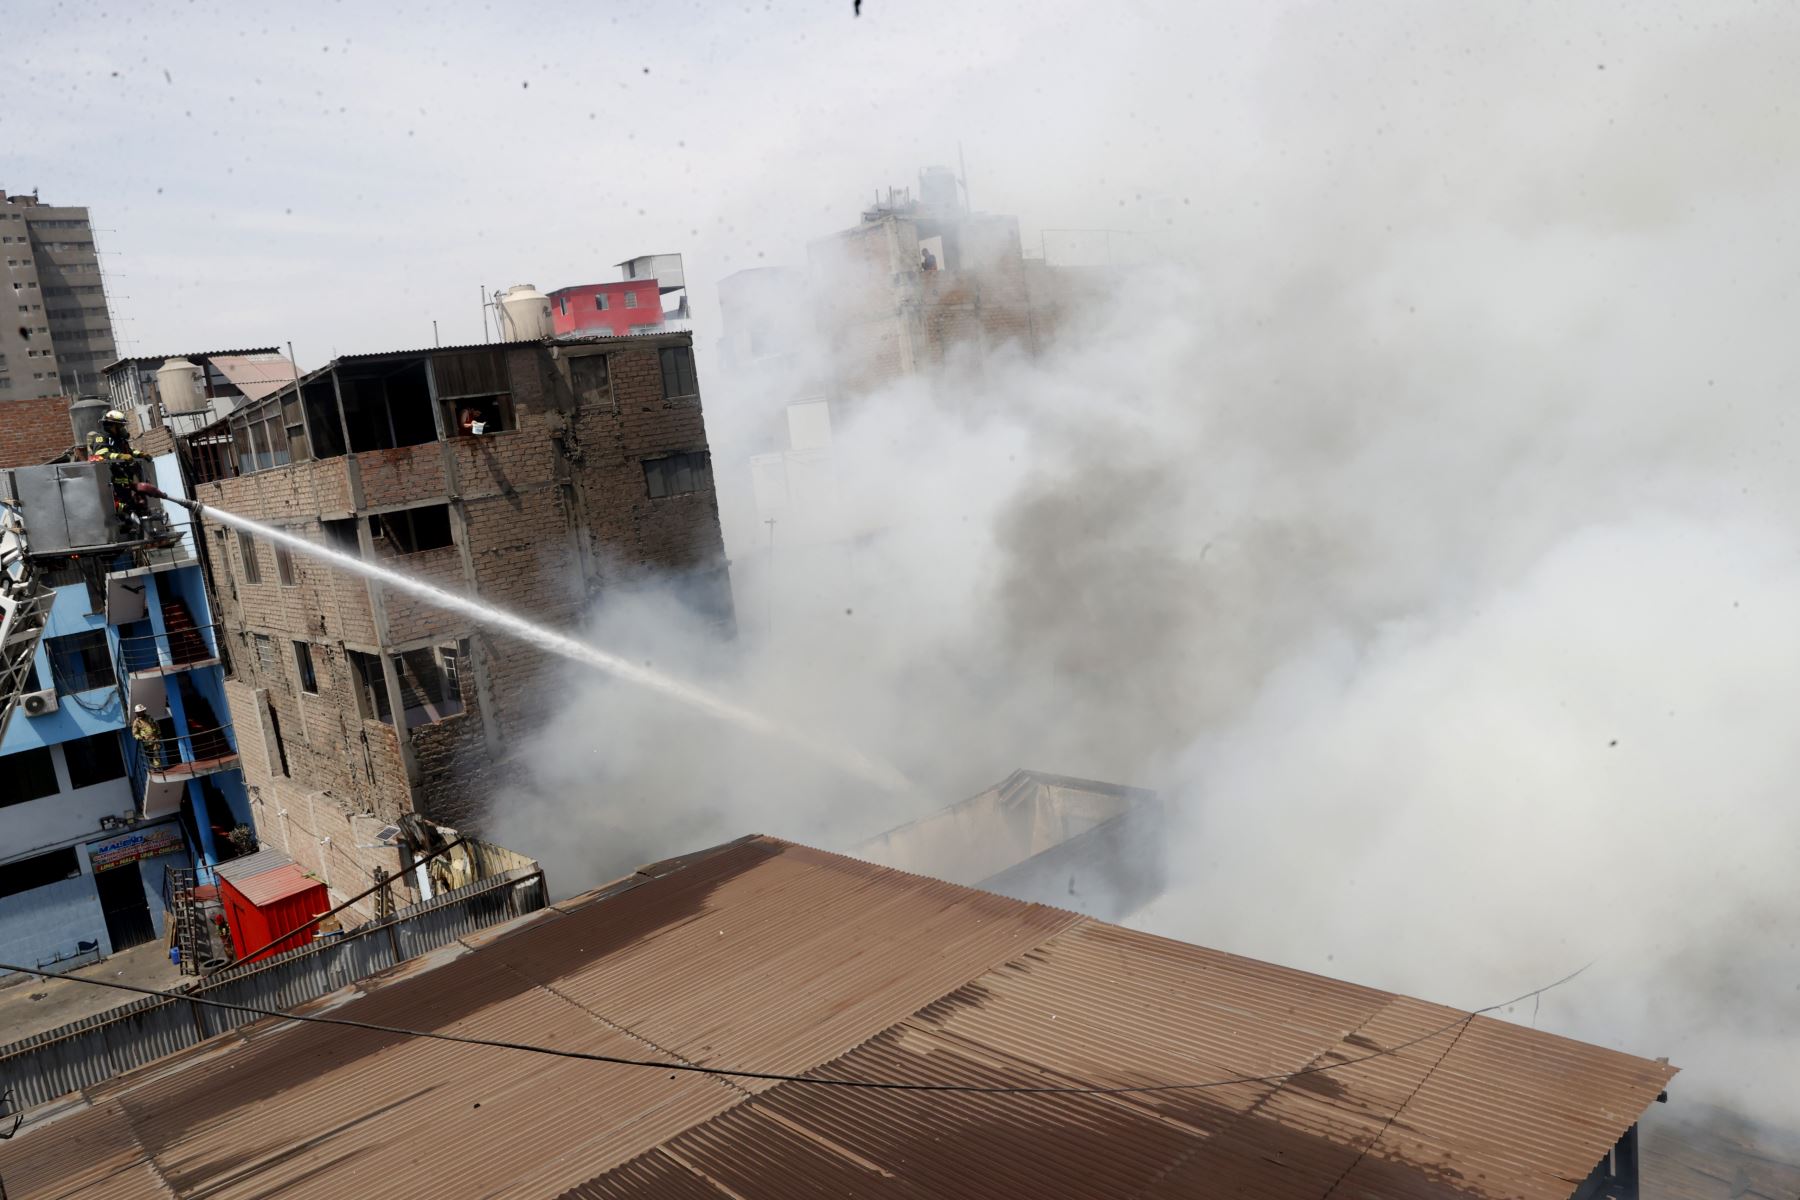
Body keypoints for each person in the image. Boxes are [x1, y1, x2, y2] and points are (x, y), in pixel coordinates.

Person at [86, 410, 149, 532]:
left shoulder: (120, 439)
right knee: (119, 505)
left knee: (131, 503)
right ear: (111, 425)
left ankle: (130, 526)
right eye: (120, 425)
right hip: (112, 479)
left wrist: (141, 454)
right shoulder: (101, 438)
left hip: (125, 478)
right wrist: (120, 457)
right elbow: (102, 454)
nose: (122, 428)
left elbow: (128, 453)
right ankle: (122, 526)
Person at [130, 703, 162, 770]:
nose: (141, 712)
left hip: (155, 739)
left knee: (157, 754)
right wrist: (139, 737)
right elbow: (135, 733)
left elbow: (156, 725)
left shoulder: (149, 718)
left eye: (142, 711)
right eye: (139, 712)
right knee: (150, 755)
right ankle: (154, 767)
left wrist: (159, 734)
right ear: (137, 713)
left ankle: (158, 768)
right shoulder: (136, 722)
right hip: (146, 742)